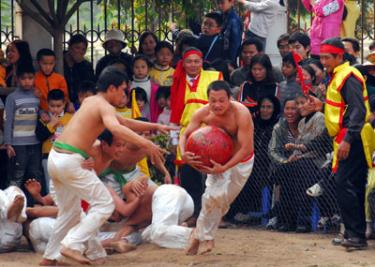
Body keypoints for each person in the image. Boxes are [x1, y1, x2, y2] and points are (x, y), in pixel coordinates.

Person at [40, 66, 171, 265]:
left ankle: (50, 258)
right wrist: (147, 143)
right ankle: (71, 245)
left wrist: (154, 126)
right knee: (104, 204)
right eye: (123, 90)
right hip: (70, 161)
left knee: (70, 212)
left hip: (56, 158)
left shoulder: (92, 101)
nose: (124, 95)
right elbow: (116, 128)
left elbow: (124, 122)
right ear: (112, 88)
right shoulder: (104, 106)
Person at [179, 80, 254, 255]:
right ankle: (207, 237)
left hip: (240, 161)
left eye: (221, 100)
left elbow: (246, 148)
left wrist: (225, 167)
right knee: (212, 196)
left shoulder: (241, 113)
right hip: (215, 161)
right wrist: (184, 154)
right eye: (213, 100)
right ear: (208, 99)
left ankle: (197, 236)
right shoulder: (203, 113)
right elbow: (185, 135)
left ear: (230, 99)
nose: (217, 105)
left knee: (222, 201)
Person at [320, 37, 373, 249]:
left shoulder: (347, 76)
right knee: (352, 185)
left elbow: (358, 110)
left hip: (353, 137)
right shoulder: (338, 75)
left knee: (346, 185)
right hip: (347, 136)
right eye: (322, 57)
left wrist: (348, 140)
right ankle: (354, 234)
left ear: (339, 56)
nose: (323, 61)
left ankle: (356, 235)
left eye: (327, 57)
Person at [170, 47, 222, 223]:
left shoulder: (213, 77)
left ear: (202, 62)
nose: (193, 65)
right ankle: (193, 213)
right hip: (187, 132)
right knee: (189, 175)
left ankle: (214, 214)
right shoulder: (177, 80)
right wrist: (174, 137)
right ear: (183, 64)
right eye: (189, 61)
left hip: (212, 133)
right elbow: (175, 113)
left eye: (196, 61)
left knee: (214, 176)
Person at [4, 64, 42, 189]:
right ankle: (12, 202)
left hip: (35, 142)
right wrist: (8, 143)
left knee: (34, 174)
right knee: (17, 174)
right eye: (23, 78)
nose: (27, 81)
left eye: (30, 78)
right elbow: (8, 121)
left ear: (34, 78)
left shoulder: (36, 96)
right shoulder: (12, 98)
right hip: (18, 144)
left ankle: (33, 203)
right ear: (18, 79)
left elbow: (41, 112)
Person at [35, 89, 73, 193]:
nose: (55, 109)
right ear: (47, 103)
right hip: (48, 156)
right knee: (50, 186)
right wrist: (51, 124)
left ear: (64, 104)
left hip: (66, 156)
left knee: (67, 185)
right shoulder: (44, 119)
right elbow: (39, 136)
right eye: (52, 106)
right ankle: (51, 207)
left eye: (58, 106)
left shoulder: (70, 118)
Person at [64, 34, 95, 105]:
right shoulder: (59, 61)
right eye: (77, 48)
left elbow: (90, 86)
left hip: (80, 103)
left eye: (83, 49)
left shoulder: (86, 65)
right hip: (61, 104)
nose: (80, 52)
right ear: (69, 47)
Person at [130, 55, 161, 122]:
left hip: (149, 120)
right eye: (136, 67)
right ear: (132, 69)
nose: (140, 70)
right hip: (132, 120)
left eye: (143, 67)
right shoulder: (128, 86)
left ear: (148, 68)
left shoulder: (154, 86)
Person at [0, 185, 27, 252]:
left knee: (13, 189)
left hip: (7, 234)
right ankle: (12, 214)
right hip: (8, 236)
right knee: (13, 190)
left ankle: (12, 213)